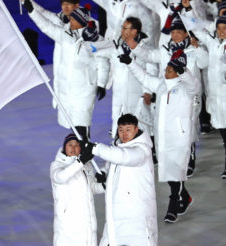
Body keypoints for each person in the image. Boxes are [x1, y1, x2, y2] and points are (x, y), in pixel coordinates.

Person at [126, 13, 209, 177]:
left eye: (179, 31)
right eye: (173, 32)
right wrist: (134, 46)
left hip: (189, 94)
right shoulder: (166, 50)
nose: (175, 35)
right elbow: (149, 56)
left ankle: (189, 157)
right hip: (169, 93)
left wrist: (198, 48)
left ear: (186, 33)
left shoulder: (193, 49)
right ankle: (171, 158)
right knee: (170, 127)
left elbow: (204, 63)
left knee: (189, 126)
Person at [80, 114, 157, 246]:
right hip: (117, 211)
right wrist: (102, 175)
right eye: (121, 130)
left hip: (136, 210)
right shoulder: (117, 148)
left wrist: (95, 148)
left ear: (136, 129)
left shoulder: (141, 150)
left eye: (128, 130)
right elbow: (111, 168)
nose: (124, 134)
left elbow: (124, 157)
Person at [23, 0, 107, 141]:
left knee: (81, 124)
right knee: (72, 124)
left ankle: (84, 157)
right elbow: (45, 20)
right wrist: (29, 5)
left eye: (68, 4)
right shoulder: (65, 29)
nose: (65, 8)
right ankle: (77, 155)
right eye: (63, 4)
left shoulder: (92, 30)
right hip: (65, 83)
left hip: (84, 85)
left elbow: (102, 58)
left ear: (77, 6)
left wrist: (102, 83)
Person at [50, 133, 105, 246]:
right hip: (67, 221)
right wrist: (80, 162)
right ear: (64, 148)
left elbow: (91, 188)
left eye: (76, 145)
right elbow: (61, 177)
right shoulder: (56, 165)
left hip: (84, 220)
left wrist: (103, 183)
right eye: (70, 145)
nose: (74, 148)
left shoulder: (86, 165)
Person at [191, 15, 226, 179]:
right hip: (216, 99)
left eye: (225, 28)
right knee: (223, 132)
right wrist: (187, 10)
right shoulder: (212, 44)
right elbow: (196, 28)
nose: (221, 32)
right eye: (219, 29)